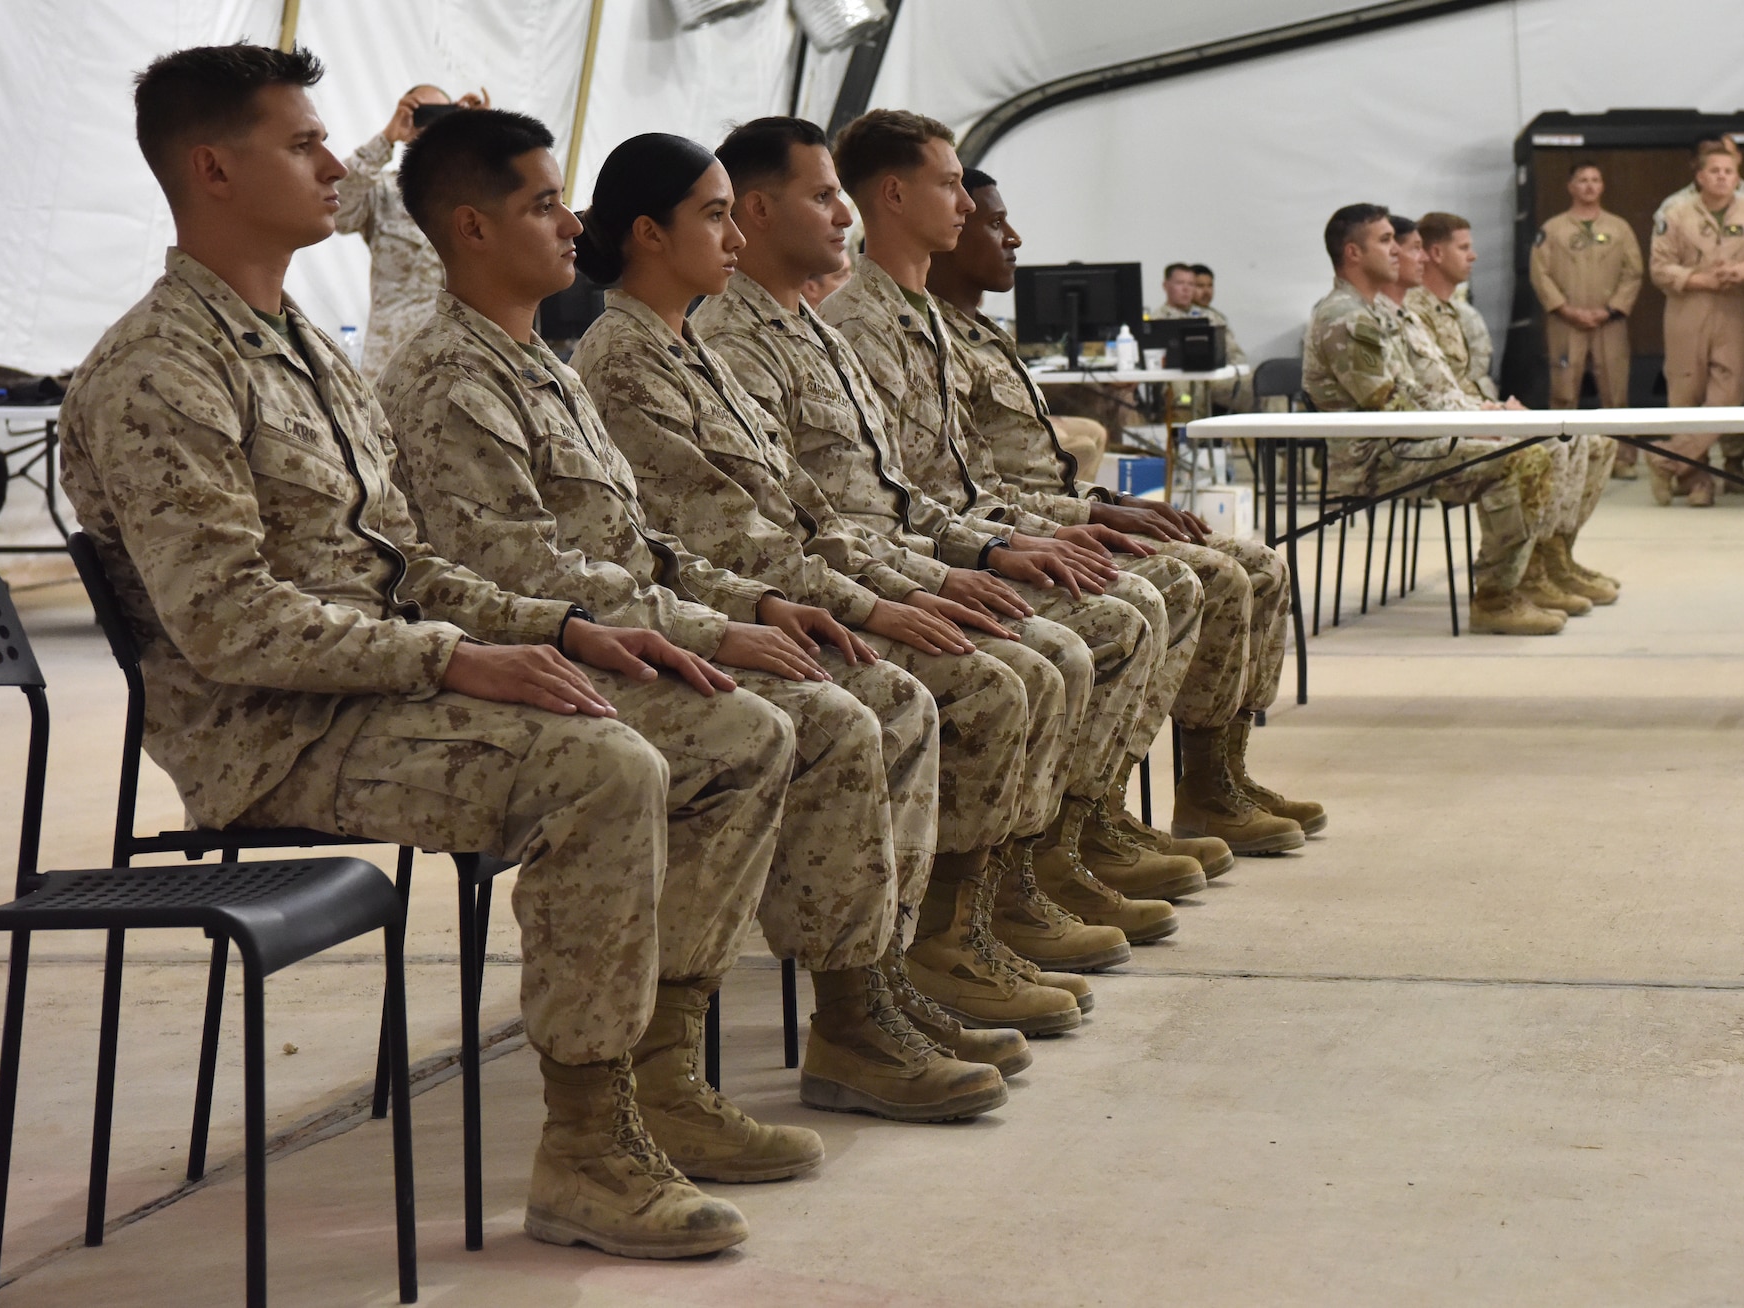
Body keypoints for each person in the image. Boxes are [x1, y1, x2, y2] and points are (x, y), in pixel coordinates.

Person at [66, 42, 789, 1260]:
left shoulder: (300, 347)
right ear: (213, 167)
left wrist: (559, 630)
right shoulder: (158, 369)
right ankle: (585, 1148)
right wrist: (453, 660)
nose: (331, 164)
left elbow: (404, 567)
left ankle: (656, 1075)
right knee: (602, 768)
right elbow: (230, 624)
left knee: (736, 726)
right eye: (300, 143)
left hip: (374, 690)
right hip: (272, 734)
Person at [377, 108, 1015, 1149]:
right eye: (543, 206)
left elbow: (657, 548)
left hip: (617, 624)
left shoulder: (540, 361)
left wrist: (755, 612)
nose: (570, 226)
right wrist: (729, 625)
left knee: (861, 698)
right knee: (785, 722)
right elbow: (523, 576)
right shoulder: (474, 373)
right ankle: (654, 1079)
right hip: (543, 647)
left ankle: (862, 1000)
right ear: (472, 227)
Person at [568, 132, 1104, 1042]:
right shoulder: (628, 360)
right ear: (650, 234)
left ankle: (931, 946)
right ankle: (867, 997)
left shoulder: (692, 348)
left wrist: (931, 577)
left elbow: (833, 510)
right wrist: (876, 602)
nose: (733, 233)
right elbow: (725, 545)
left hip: (781, 591)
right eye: (714, 214)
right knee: (924, 693)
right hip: (715, 612)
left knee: (1014, 652)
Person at [702, 114, 1196, 955]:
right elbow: (785, 534)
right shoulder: (751, 341)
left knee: (1138, 596)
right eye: (823, 197)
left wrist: (1004, 545)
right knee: (1045, 656)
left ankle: (1028, 874)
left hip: (886, 561)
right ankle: (945, 935)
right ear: (754, 212)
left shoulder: (824, 333)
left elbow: (913, 496)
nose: (844, 216)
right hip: (812, 595)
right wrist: (916, 583)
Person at [930, 164, 1316, 857]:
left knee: (1256, 562)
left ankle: (1213, 780)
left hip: (1041, 516)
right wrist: (1088, 518)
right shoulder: (932, 342)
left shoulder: (979, 333)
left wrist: (1101, 503)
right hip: (998, 535)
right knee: (1206, 581)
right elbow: (969, 492)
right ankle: (1085, 825)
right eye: (990, 221)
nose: (1011, 236)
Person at [1302, 203, 1560, 635]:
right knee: (1520, 459)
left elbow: (1417, 392)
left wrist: (1479, 417)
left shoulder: (1374, 312)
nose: (1397, 251)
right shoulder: (1346, 317)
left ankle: (1527, 579)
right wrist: (1474, 425)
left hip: (1404, 444)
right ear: (1353, 254)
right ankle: (1496, 598)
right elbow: (1390, 407)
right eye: (1385, 241)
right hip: (1376, 459)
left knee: (1526, 448)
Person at [1413, 211, 1618, 605]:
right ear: (1436, 253)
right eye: (1464, 247)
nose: (1473, 256)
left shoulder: (1461, 313)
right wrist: (1486, 413)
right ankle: (1523, 574)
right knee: (1548, 446)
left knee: (1594, 442)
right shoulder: (1415, 313)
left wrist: (1498, 406)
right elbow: (1432, 388)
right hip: (1447, 426)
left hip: (1472, 413)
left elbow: (1472, 378)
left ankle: (1555, 558)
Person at [1647, 143, 1744, 506]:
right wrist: (1698, 279)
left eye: (1728, 171)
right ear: (1700, 177)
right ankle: (1698, 481)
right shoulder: (1676, 214)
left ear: (1737, 176)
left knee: (1728, 394)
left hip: (1733, 309)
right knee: (1686, 394)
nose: (1722, 177)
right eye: (1714, 171)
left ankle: (1664, 458)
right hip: (1687, 309)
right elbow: (1659, 267)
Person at [334, 81, 487, 378]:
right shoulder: (382, 191)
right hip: (391, 369)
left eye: (440, 115)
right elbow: (337, 209)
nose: (428, 126)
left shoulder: (478, 195)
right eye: (419, 114)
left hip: (462, 367)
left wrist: (483, 136)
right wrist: (386, 139)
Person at [1530, 162, 1644, 477]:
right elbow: (1540, 274)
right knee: (1564, 389)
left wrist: (1611, 309)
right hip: (1566, 322)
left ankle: (1621, 457)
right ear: (1571, 186)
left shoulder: (1619, 228)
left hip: (1609, 322)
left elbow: (1633, 273)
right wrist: (1564, 309)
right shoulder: (1553, 230)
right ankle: (1561, 457)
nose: (1589, 186)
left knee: (1615, 390)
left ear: (1603, 186)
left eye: (1595, 179)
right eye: (1582, 180)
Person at [1151, 261, 1248, 411]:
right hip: (1179, 380)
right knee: (1187, 392)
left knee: (1262, 383)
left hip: (1216, 379)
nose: (1186, 289)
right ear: (1166, 286)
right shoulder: (1156, 321)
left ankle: (1279, 432)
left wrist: (1229, 369)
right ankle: (1191, 433)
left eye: (1191, 284)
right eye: (1180, 283)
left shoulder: (1212, 317)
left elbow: (1235, 355)